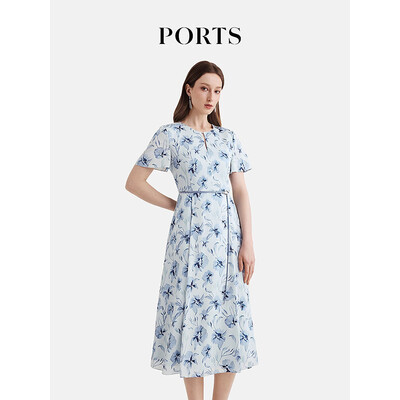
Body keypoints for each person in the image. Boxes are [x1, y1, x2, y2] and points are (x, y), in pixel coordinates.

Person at [125, 60, 258, 400]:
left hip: (228, 240)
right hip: (188, 240)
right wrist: (178, 204)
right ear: (189, 89)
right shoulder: (169, 135)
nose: (211, 96)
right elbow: (135, 182)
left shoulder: (227, 138)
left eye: (217, 91)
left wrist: (248, 243)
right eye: (204, 88)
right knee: (192, 312)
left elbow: (241, 192)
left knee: (228, 314)